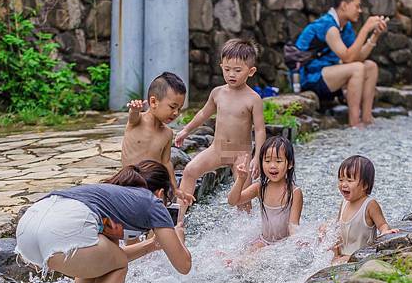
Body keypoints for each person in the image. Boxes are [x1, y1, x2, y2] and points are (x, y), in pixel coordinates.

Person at [14, 160, 191, 283]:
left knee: (108, 264)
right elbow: (183, 266)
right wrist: (178, 238)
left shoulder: (109, 198)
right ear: (160, 194)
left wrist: (153, 245)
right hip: (63, 227)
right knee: (119, 264)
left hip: (28, 228)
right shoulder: (153, 202)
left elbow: (105, 258)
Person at [175, 38, 266, 224]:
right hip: (218, 149)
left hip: (241, 154)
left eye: (238, 70)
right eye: (227, 69)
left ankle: (246, 232)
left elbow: (260, 130)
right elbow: (203, 114)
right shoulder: (218, 93)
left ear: (251, 72)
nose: (231, 74)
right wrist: (186, 130)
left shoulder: (253, 99)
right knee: (190, 170)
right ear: (221, 66)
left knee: (242, 198)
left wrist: (257, 157)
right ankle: (178, 218)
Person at [295, 0, 387, 127]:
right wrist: (365, 29)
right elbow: (348, 58)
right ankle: (355, 123)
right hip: (309, 77)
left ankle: (367, 119)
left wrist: (374, 36)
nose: (360, 10)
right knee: (357, 69)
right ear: (344, 5)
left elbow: (357, 57)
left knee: (370, 67)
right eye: (357, 6)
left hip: (328, 73)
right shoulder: (328, 26)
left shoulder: (346, 27)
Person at [121, 71, 195, 208]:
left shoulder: (167, 133)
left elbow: (166, 162)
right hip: (130, 182)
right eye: (173, 107)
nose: (176, 113)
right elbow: (133, 116)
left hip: (153, 185)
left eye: (179, 109)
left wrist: (176, 189)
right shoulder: (137, 121)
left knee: (160, 206)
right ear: (153, 102)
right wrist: (134, 109)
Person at [228, 136, 303, 249]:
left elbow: (293, 226)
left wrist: (297, 243)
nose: (272, 165)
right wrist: (241, 180)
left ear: (290, 164)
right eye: (267, 161)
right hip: (264, 241)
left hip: (284, 243)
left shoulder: (294, 192)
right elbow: (232, 201)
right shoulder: (260, 187)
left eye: (278, 161)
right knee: (243, 261)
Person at [328, 155, 398, 264]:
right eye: (341, 180)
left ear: (365, 185)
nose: (343, 184)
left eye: (349, 181)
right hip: (341, 256)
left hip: (360, 258)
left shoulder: (370, 205)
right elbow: (338, 229)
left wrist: (385, 232)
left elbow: (382, 225)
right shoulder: (344, 203)